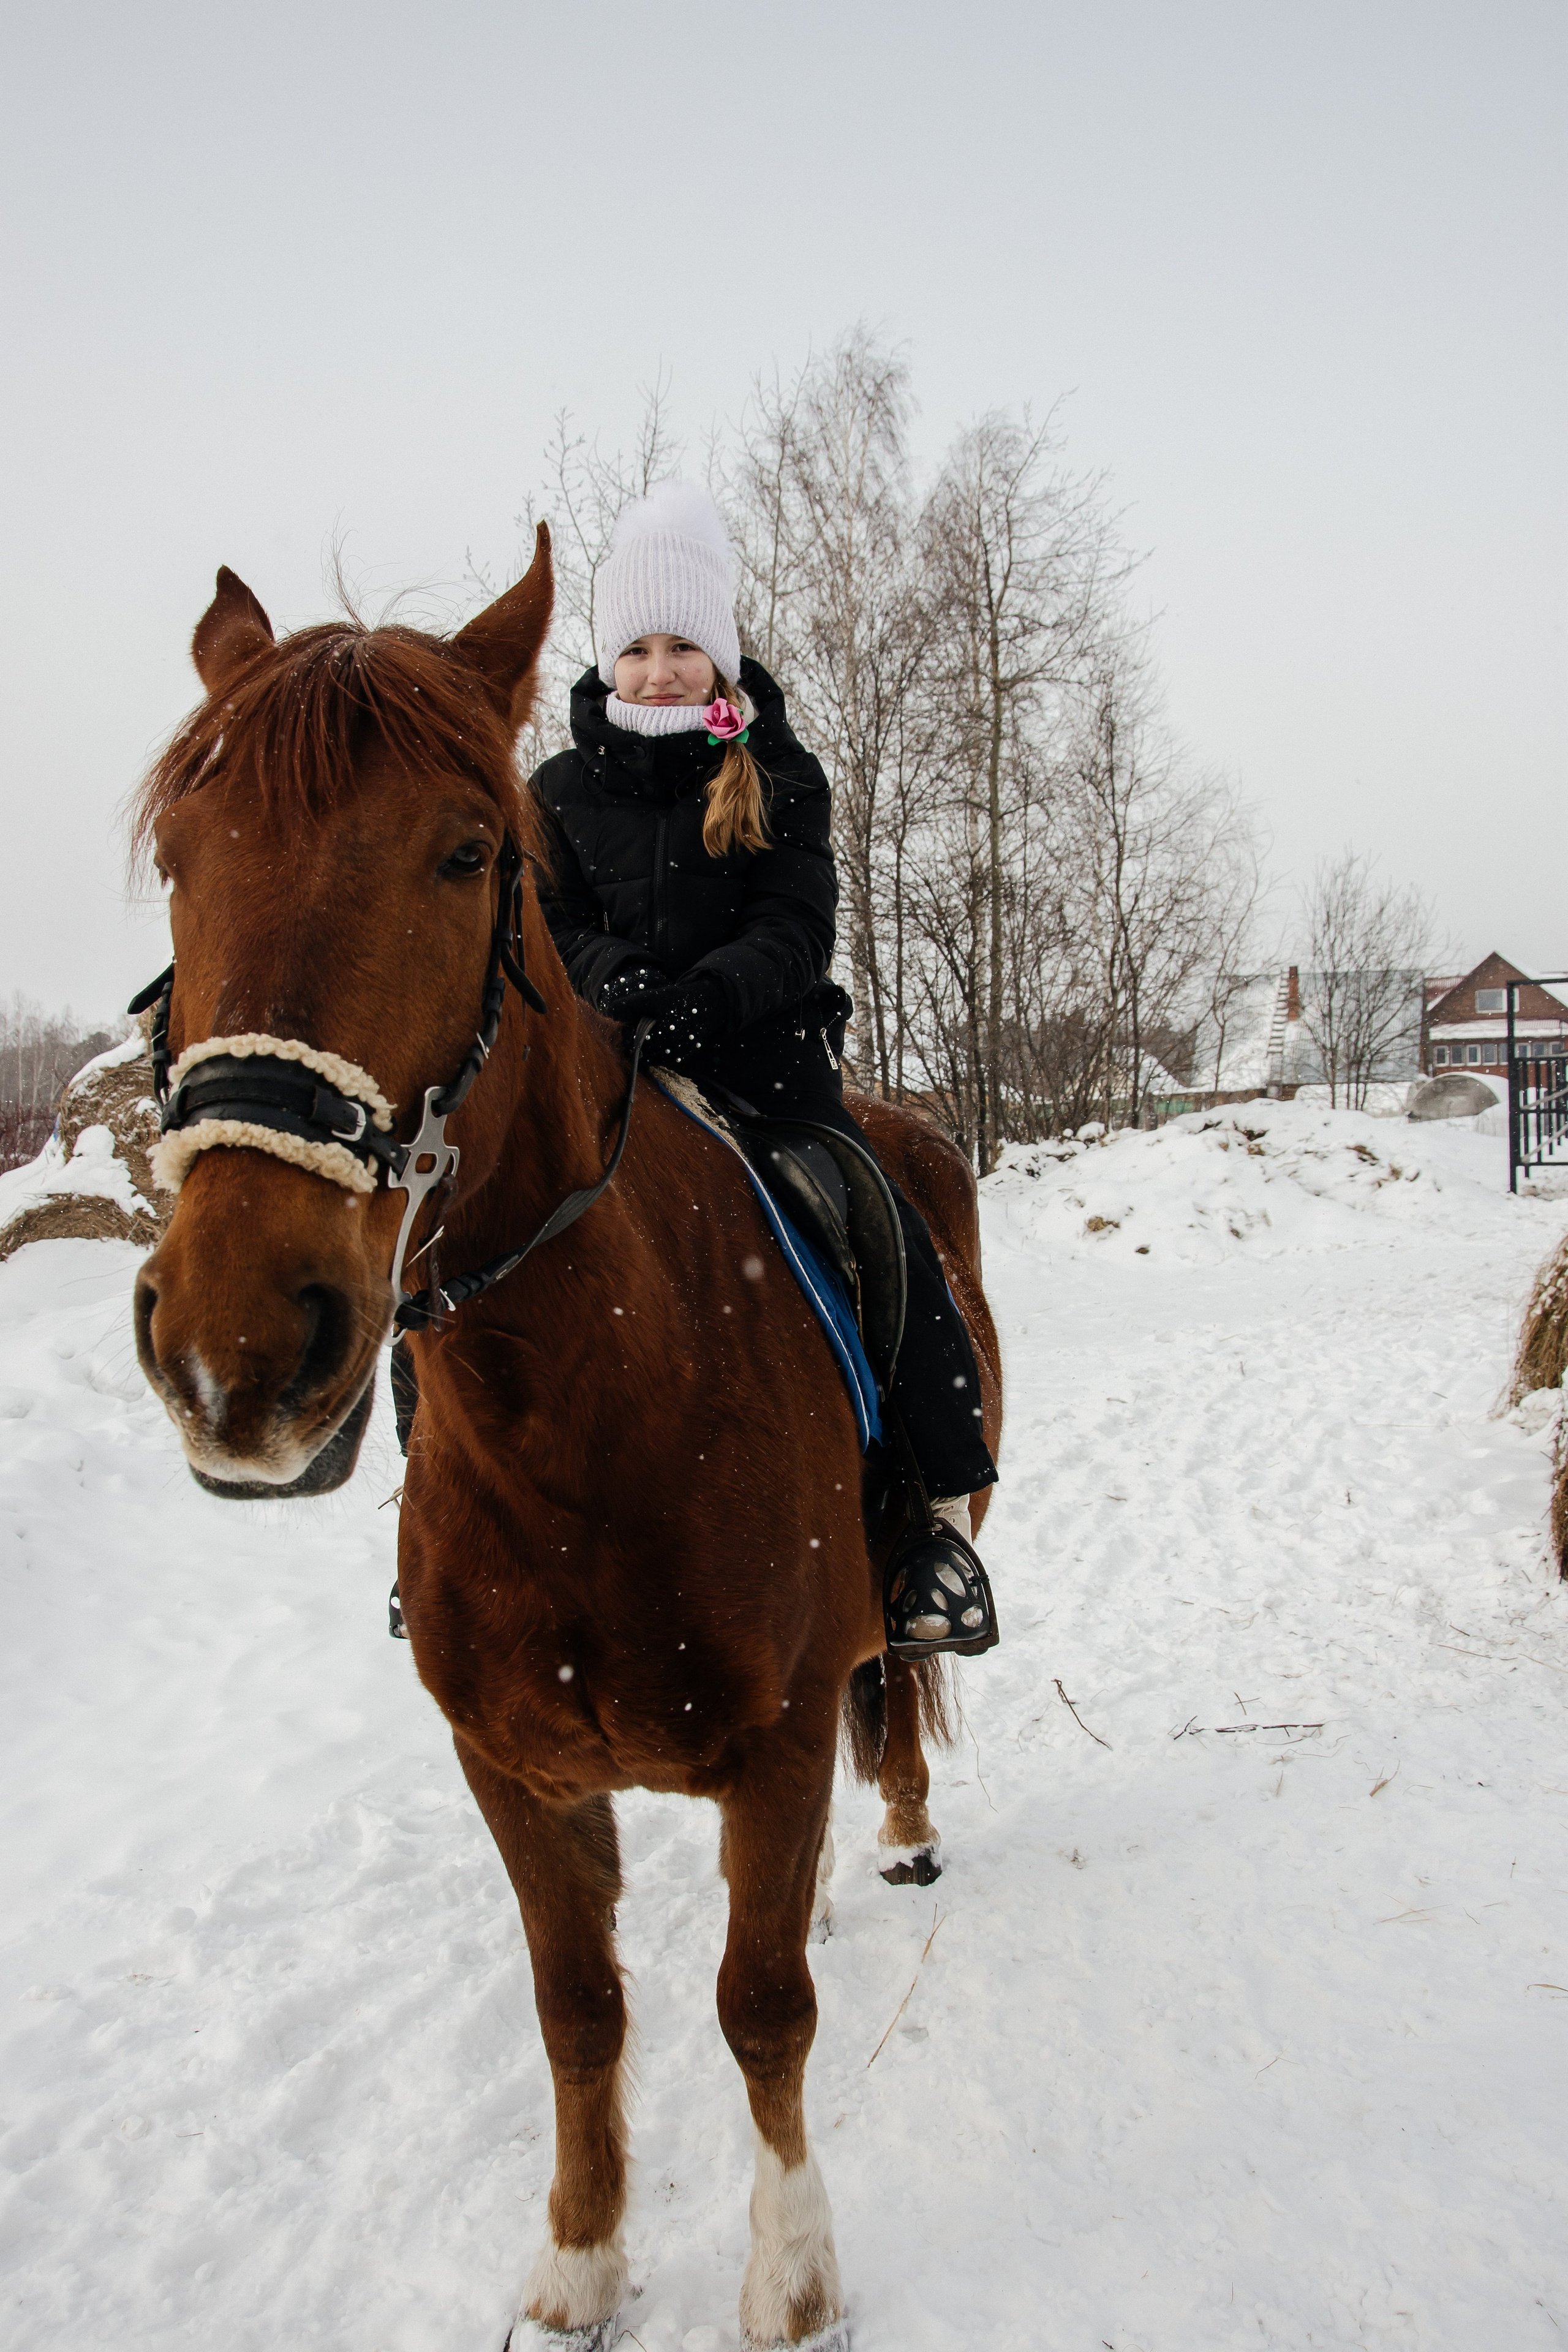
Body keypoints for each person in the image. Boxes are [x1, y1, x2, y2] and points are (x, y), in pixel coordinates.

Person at [530, 482, 998, 1659]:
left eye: (682, 644)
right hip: (607, 1076)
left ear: (720, 653)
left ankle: (937, 1518)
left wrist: (709, 999)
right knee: (471, 1245)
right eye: (635, 647)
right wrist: (617, 986)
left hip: (761, 1070)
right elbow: (552, 921)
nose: (657, 669)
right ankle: (436, 1508)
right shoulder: (553, 792)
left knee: (883, 1231)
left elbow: (796, 926)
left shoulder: (780, 775)